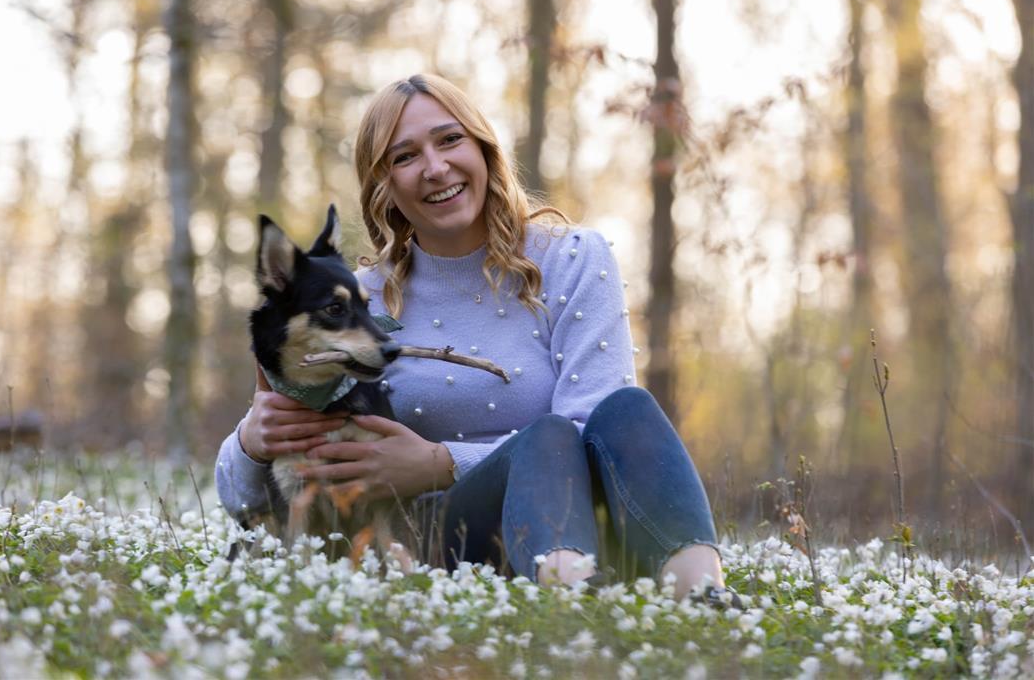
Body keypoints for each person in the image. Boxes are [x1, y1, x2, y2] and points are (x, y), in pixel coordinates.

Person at [216, 74, 736, 604]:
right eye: (404, 157)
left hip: (592, 524)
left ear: (484, 149)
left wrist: (438, 462)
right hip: (447, 547)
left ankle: (705, 598)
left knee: (623, 410)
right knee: (546, 435)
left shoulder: (575, 258)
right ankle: (572, 605)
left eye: (449, 140)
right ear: (383, 184)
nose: (435, 168)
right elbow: (249, 495)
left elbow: (594, 433)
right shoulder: (361, 302)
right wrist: (251, 445)